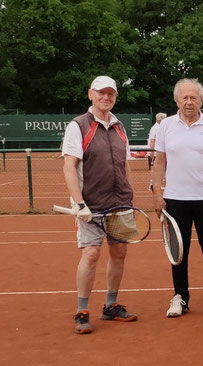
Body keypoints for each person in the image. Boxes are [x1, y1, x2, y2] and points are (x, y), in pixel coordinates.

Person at [151, 78, 203, 317]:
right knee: (179, 252)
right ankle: (180, 297)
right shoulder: (166, 125)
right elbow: (160, 162)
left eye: (193, 97)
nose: (189, 102)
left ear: (200, 100)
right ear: (177, 100)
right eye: (185, 97)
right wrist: (157, 193)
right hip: (175, 199)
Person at [62, 75, 138, 334]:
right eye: (101, 93)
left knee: (119, 253)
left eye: (111, 94)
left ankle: (110, 305)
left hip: (119, 203)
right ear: (90, 94)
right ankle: (82, 310)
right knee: (91, 254)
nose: (106, 97)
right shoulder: (79, 125)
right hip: (91, 205)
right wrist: (80, 203)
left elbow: (124, 164)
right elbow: (69, 166)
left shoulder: (119, 126)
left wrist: (130, 195)